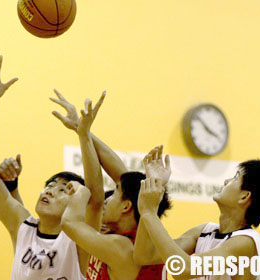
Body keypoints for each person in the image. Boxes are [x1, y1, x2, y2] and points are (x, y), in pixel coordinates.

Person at [0, 51, 103, 280]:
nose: (51, 190)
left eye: (63, 190)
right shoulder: (23, 227)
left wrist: (83, 135)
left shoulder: (78, 240)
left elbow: (95, 200)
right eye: (51, 185)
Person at [50, 92, 172, 280]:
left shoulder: (122, 247)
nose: (107, 199)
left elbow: (70, 222)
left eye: (114, 193)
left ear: (126, 206)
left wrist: (81, 192)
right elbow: (123, 179)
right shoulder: (142, 234)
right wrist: (82, 131)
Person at [134, 148, 260, 280]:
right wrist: (153, 185)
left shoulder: (246, 242)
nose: (226, 181)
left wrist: (150, 213)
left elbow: (183, 269)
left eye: (235, 178)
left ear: (244, 197)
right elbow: (144, 255)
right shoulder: (204, 231)